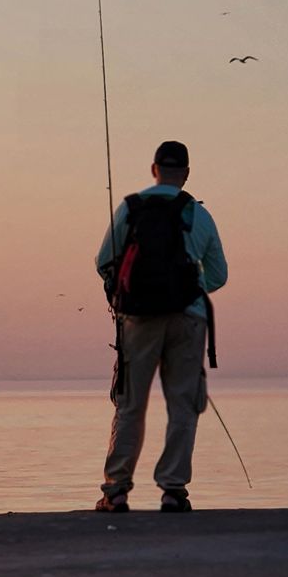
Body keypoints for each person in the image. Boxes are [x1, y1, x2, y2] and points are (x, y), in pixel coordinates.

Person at [94, 140, 228, 513]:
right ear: (185, 173)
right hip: (189, 317)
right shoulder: (198, 215)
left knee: (130, 404)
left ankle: (116, 490)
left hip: (137, 320)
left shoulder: (131, 208)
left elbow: (103, 260)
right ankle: (173, 489)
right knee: (183, 404)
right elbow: (219, 274)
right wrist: (188, 287)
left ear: (154, 169)